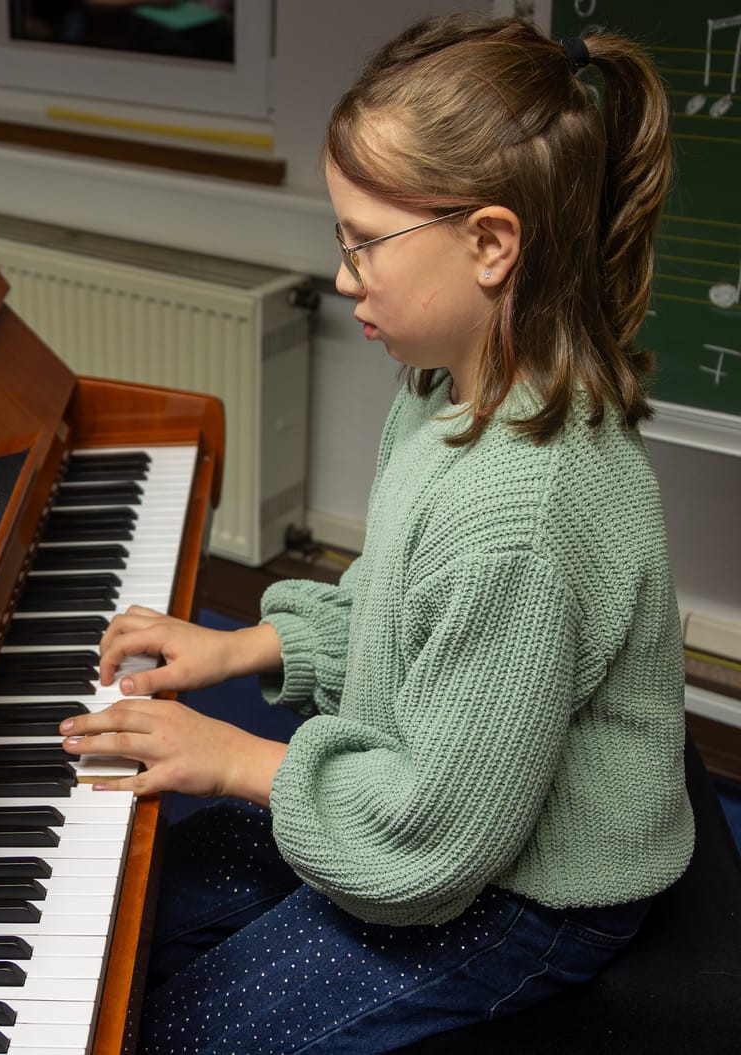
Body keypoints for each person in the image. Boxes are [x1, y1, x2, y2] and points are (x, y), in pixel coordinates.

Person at [60, 12, 694, 1053]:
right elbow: (398, 610)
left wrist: (236, 758)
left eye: (365, 242)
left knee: (178, 1033)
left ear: (490, 244)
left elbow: (434, 846)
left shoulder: (523, 517)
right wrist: (247, 646)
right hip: (437, 797)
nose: (346, 274)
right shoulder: (443, 388)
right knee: (141, 912)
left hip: (522, 891)